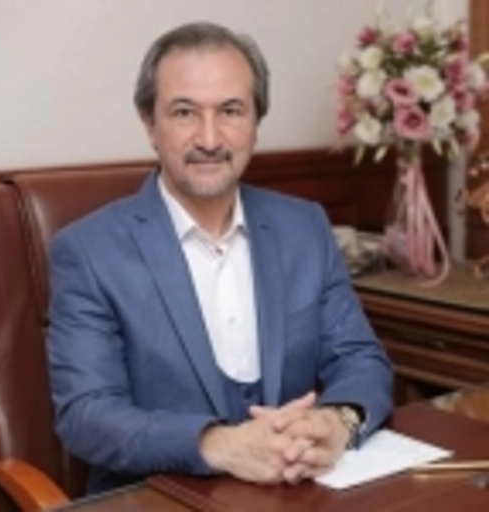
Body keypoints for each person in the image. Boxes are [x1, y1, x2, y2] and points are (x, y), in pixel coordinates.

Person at [47, 21, 393, 494]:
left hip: (293, 494)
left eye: (231, 111)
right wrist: (218, 445)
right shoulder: (88, 251)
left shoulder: (305, 227)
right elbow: (87, 414)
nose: (210, 139)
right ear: (149, 124)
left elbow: (360, 358)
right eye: (184, 113)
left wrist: (338, 422)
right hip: (157, 499)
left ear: (255, 123)